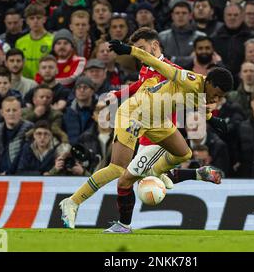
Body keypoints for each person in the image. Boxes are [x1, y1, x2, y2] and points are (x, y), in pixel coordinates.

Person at [60, 34, 233, 229]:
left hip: (157, 120)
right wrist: (129, 50)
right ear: (210, 83)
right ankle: (72, 202)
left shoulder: (203, 90)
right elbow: (156, 63)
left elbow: (197, 103)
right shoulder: (188, 79)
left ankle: (157, 172)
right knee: (118, 168)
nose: (216, 98)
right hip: (134, 115)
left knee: (184, 153)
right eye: (216, 94)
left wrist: (213, 119)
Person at [0, 96, 33, 175]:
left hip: (20, 174)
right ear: (2, 112)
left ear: (20, 111)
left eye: (14, 110)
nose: (11, 113)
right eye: (8, 110)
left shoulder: (30, 129)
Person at [212, 3, 254, 78]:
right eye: (229, 15)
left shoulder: (253, 37)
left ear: (242, 16)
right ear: (224, 17)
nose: (232, 18)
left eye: (236, 15)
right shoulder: (214, 38)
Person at [15, 4, 53, 79]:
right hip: (25, 84)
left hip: (45, 83)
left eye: (38, 18)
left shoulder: (52, 40)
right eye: (32, 18)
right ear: (27, 21)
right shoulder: (20, 42)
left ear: (44, 19)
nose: (35, 21)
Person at [63, 76, 97, 146]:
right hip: (73, 150)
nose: (81, 90)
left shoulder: (99, 111)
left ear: (92, 91)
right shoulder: (67, 112)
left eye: (85, 87)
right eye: (78, 87)